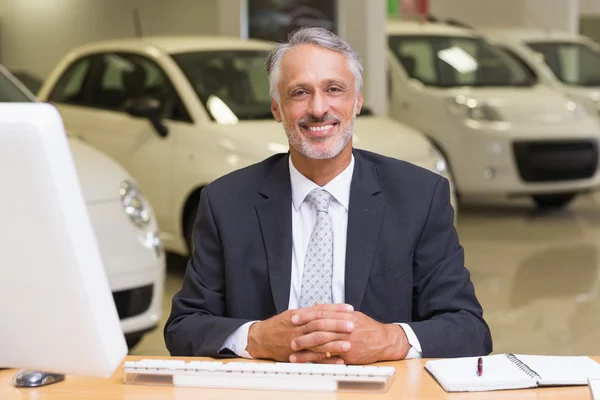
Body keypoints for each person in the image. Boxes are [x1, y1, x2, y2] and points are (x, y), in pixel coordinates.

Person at [164, 27, 492, 365]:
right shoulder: (226, 202)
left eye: (334, 89)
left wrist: (389, 340)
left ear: (358, 101)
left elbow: (469, 329)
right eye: (299, 93)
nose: (319, 108)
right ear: (277, 108)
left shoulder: (419, 197)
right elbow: (184, 327)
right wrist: (256, 338)